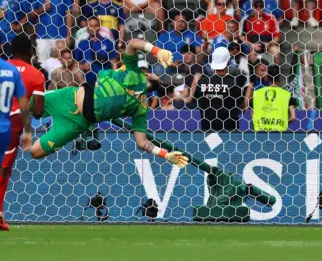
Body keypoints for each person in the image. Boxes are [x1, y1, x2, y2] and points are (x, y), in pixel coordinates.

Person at [29, 38, 189, 171]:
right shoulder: (131, 71)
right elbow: (132, 43)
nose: (153, 74)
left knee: (35, 152)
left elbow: (142, 142)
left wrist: (165, 155)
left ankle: (53, 129)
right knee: (20, 104)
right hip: (66, 97)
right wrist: (157, 50)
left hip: (75, 123)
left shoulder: (141, 107)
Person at [0, 35, 44, 231]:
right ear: (31, 51)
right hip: (11, 122)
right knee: (4, 169)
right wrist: (28, 130)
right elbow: (38, 110)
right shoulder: (36, 75)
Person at [193, 47, 247, 131]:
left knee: (212, 144)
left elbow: (196, 99)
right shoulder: (232, 84)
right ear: (228, 62)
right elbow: (243, 108)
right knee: (228, 144)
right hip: (230, 132)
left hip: (208, 131)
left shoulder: (202, 82)